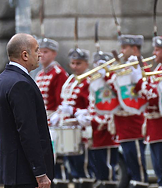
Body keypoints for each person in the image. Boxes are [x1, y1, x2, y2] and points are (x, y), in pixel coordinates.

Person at [0, 33, 54, 188]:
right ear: (25, 55)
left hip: (13, 170)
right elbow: (28, 131)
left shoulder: (1, 80)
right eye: (37, 50)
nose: (40, 54)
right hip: (26, 173)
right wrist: (40, 173)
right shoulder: (21, 83)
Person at [133, 36, 162, 188]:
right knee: (160, 172)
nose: (153, 53)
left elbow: (157, 97)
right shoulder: (159, 68)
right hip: (155, 125)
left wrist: (140, 82)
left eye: (157, 50)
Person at [103, 34, 148, 188]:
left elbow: (141, 92)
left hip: (134, 123)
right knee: (130, 166)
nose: (121, 51)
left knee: (137, 167)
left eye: (124, 48)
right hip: (122, 124)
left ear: (134, 49)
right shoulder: (123, 68)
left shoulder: (141, 68)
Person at [50, 47, 95, 188]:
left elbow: (91, 106)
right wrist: (58, 114)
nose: (75, 67)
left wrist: (74, 111)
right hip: (69, 129)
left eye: (79, 63)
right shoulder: (70, 80)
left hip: (82, 129)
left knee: (84, 167)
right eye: (73, 63)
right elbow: (64, 102)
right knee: (73, 168)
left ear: (87, 64)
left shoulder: (89, 81)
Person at [34, 38, 69, 188]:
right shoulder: (40, 74)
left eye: (46, 51)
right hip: (43, 121)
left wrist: (57, 115)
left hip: (54, 120)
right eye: (39, 51)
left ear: (54, 54)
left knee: (55, 159)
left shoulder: (59, 73)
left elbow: (63, 100)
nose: (41, 54)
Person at [87, 52, 120, 188]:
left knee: (108, 167)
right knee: (97, 166)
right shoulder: (94, 80)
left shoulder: (111, 79)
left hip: (105, 129)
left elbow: (114, 102)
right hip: (95, 129)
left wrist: (108, 75)